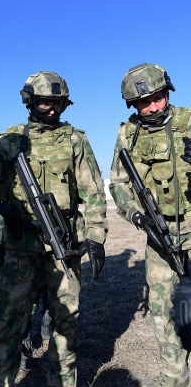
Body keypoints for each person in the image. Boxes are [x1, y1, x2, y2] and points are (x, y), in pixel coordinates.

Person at [0, 71, 108, 387]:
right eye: (43, 101)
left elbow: (93, 190)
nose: (50, 107)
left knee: (66, 322)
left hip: (64, 244)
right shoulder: (9, 141)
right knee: (9, 323)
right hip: (19, 244)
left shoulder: (76, 139)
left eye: (56, 102)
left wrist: (95, 236)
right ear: (31, 101)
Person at [110, 63, 191, 387]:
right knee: (162, 310)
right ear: (133, 104)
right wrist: (136, 216)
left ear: (168, 92)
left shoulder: (188, 120)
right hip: (158, 235)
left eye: (158, 97)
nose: (154, 106)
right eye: (145, 102)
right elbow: (118, 184)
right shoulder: (128, 133)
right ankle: (175, 376)